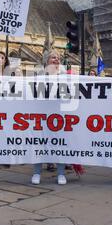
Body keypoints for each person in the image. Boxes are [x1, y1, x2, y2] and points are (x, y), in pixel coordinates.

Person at [31, 50, 68, 186]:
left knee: (60, 144)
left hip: (59, 116)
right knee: (39, 143)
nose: (56, 60)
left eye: (58, 58)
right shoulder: (39, 76)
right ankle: (36, 172)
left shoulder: (65, 77)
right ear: (47, 61)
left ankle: (61, 174)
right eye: (53, 58)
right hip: (41, 115)